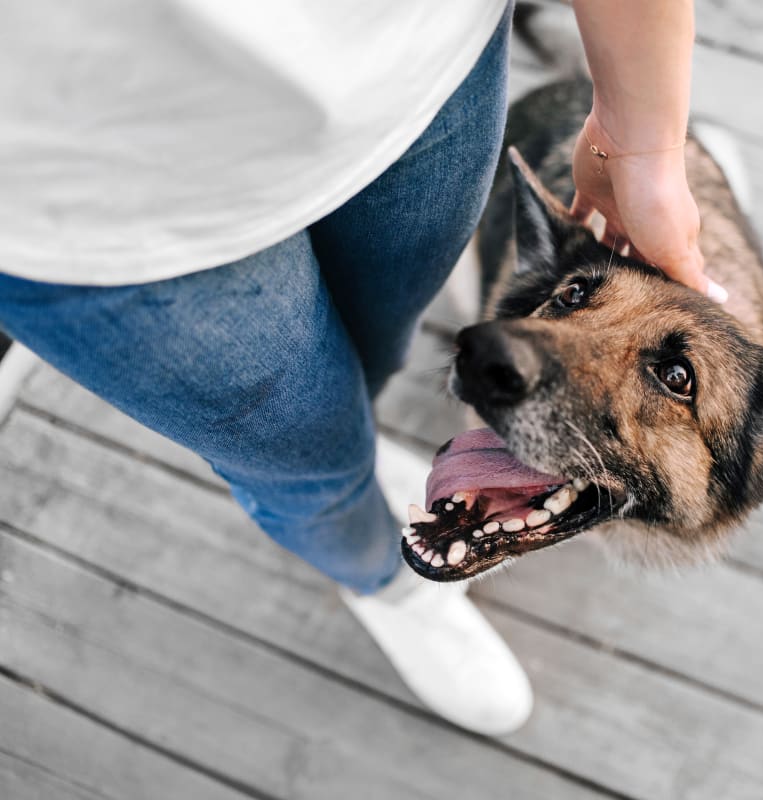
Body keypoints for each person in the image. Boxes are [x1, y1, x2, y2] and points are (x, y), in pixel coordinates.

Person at [0, 0, 718, 735]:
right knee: (306, 465)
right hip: (81, 192)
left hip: (419, 66)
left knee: (377, 352)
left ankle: (364, 442)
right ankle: (383, 581)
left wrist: (645, 144)